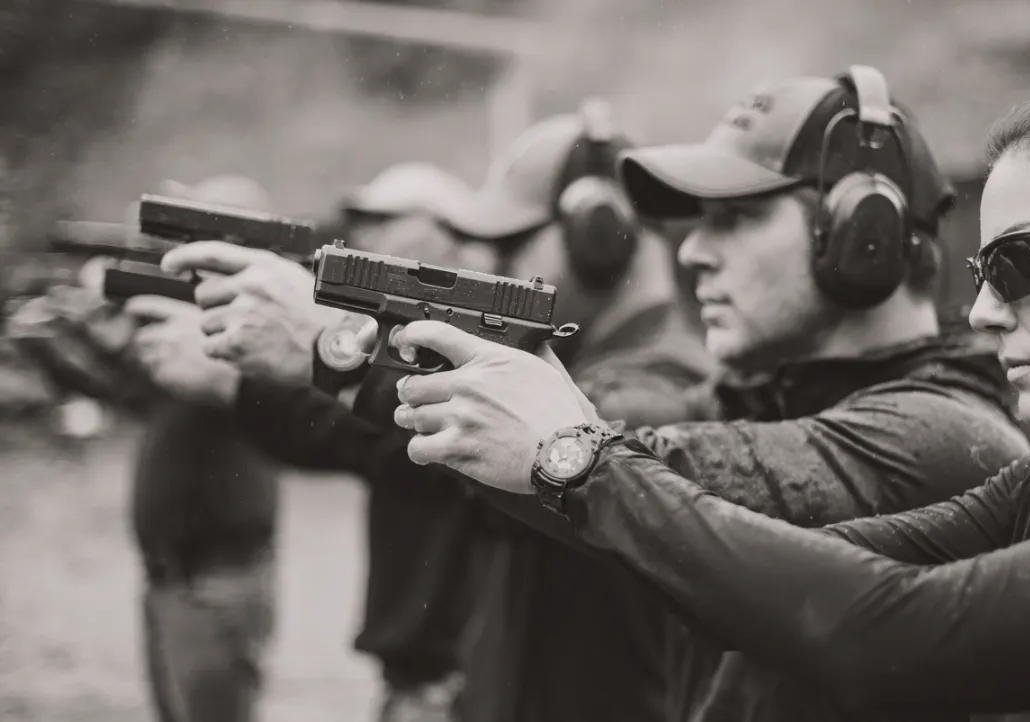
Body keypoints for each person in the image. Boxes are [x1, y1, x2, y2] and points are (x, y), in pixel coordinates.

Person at [392, 71, 1030, 721]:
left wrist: (578, 462)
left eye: (1021, 262)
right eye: (981, 269)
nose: (981, 310)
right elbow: (774, 580)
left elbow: (889, 633)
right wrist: (549, 454)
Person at [130, 100, 714, 722]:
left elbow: (556, 443)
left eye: (511, 242)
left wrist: (330, 348)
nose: (495, 265)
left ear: (600, 235)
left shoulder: (665, 383)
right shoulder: (598, 363)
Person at [129, 163, 489, 722]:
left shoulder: (464, 339)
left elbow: (370, 438)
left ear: (442, 229)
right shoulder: (421, 334)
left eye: (382, 219)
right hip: (425, 660)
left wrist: (243, 385)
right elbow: (335, 436)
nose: (365, 235)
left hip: (454, 666)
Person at [128, 175, 281, 722]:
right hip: (173, 573)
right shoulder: (188, 318)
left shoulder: (250, 326)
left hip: (217, 576)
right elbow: (126, 383)